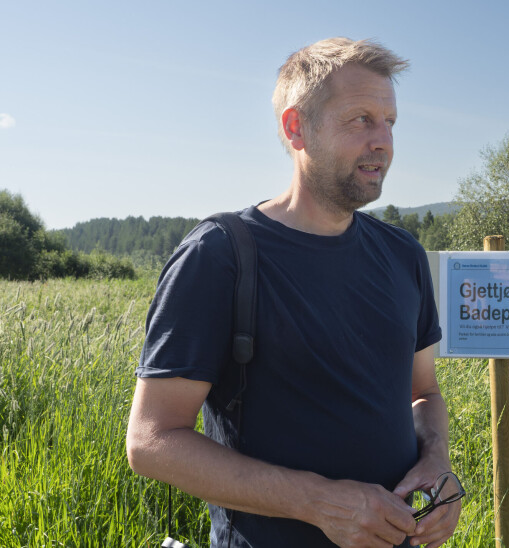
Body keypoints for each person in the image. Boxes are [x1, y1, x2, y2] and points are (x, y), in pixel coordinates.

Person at [126, 37, 461, 548]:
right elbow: (152, 441)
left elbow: (423, 392)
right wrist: (320, 502)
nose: (384, 142)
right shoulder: (220, 256)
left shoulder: (404, 255)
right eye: (361, 119)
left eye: (389, 122)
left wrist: (436, 461)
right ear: (296, 126)